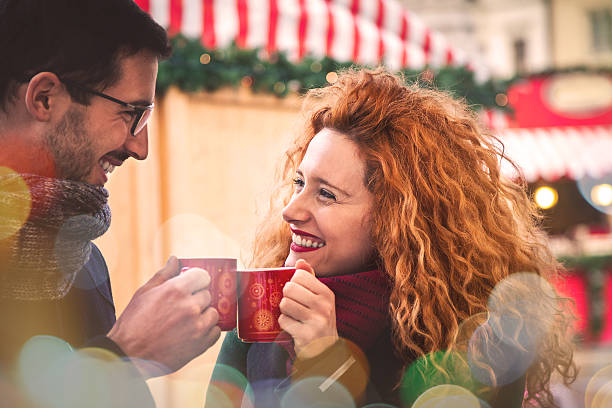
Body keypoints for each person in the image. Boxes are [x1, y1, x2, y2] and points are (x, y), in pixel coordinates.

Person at [207, 69, 577, 407]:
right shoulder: (261, 312)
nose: (291, 210)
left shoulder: (479, 340)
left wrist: (327, 358)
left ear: (394, 218)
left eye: (326, 194)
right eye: (300, 183)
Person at [0, 0, 220, 404]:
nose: (141, 148)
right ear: (45, 98)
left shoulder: (83, 259)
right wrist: (125, 357)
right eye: (132, 113)